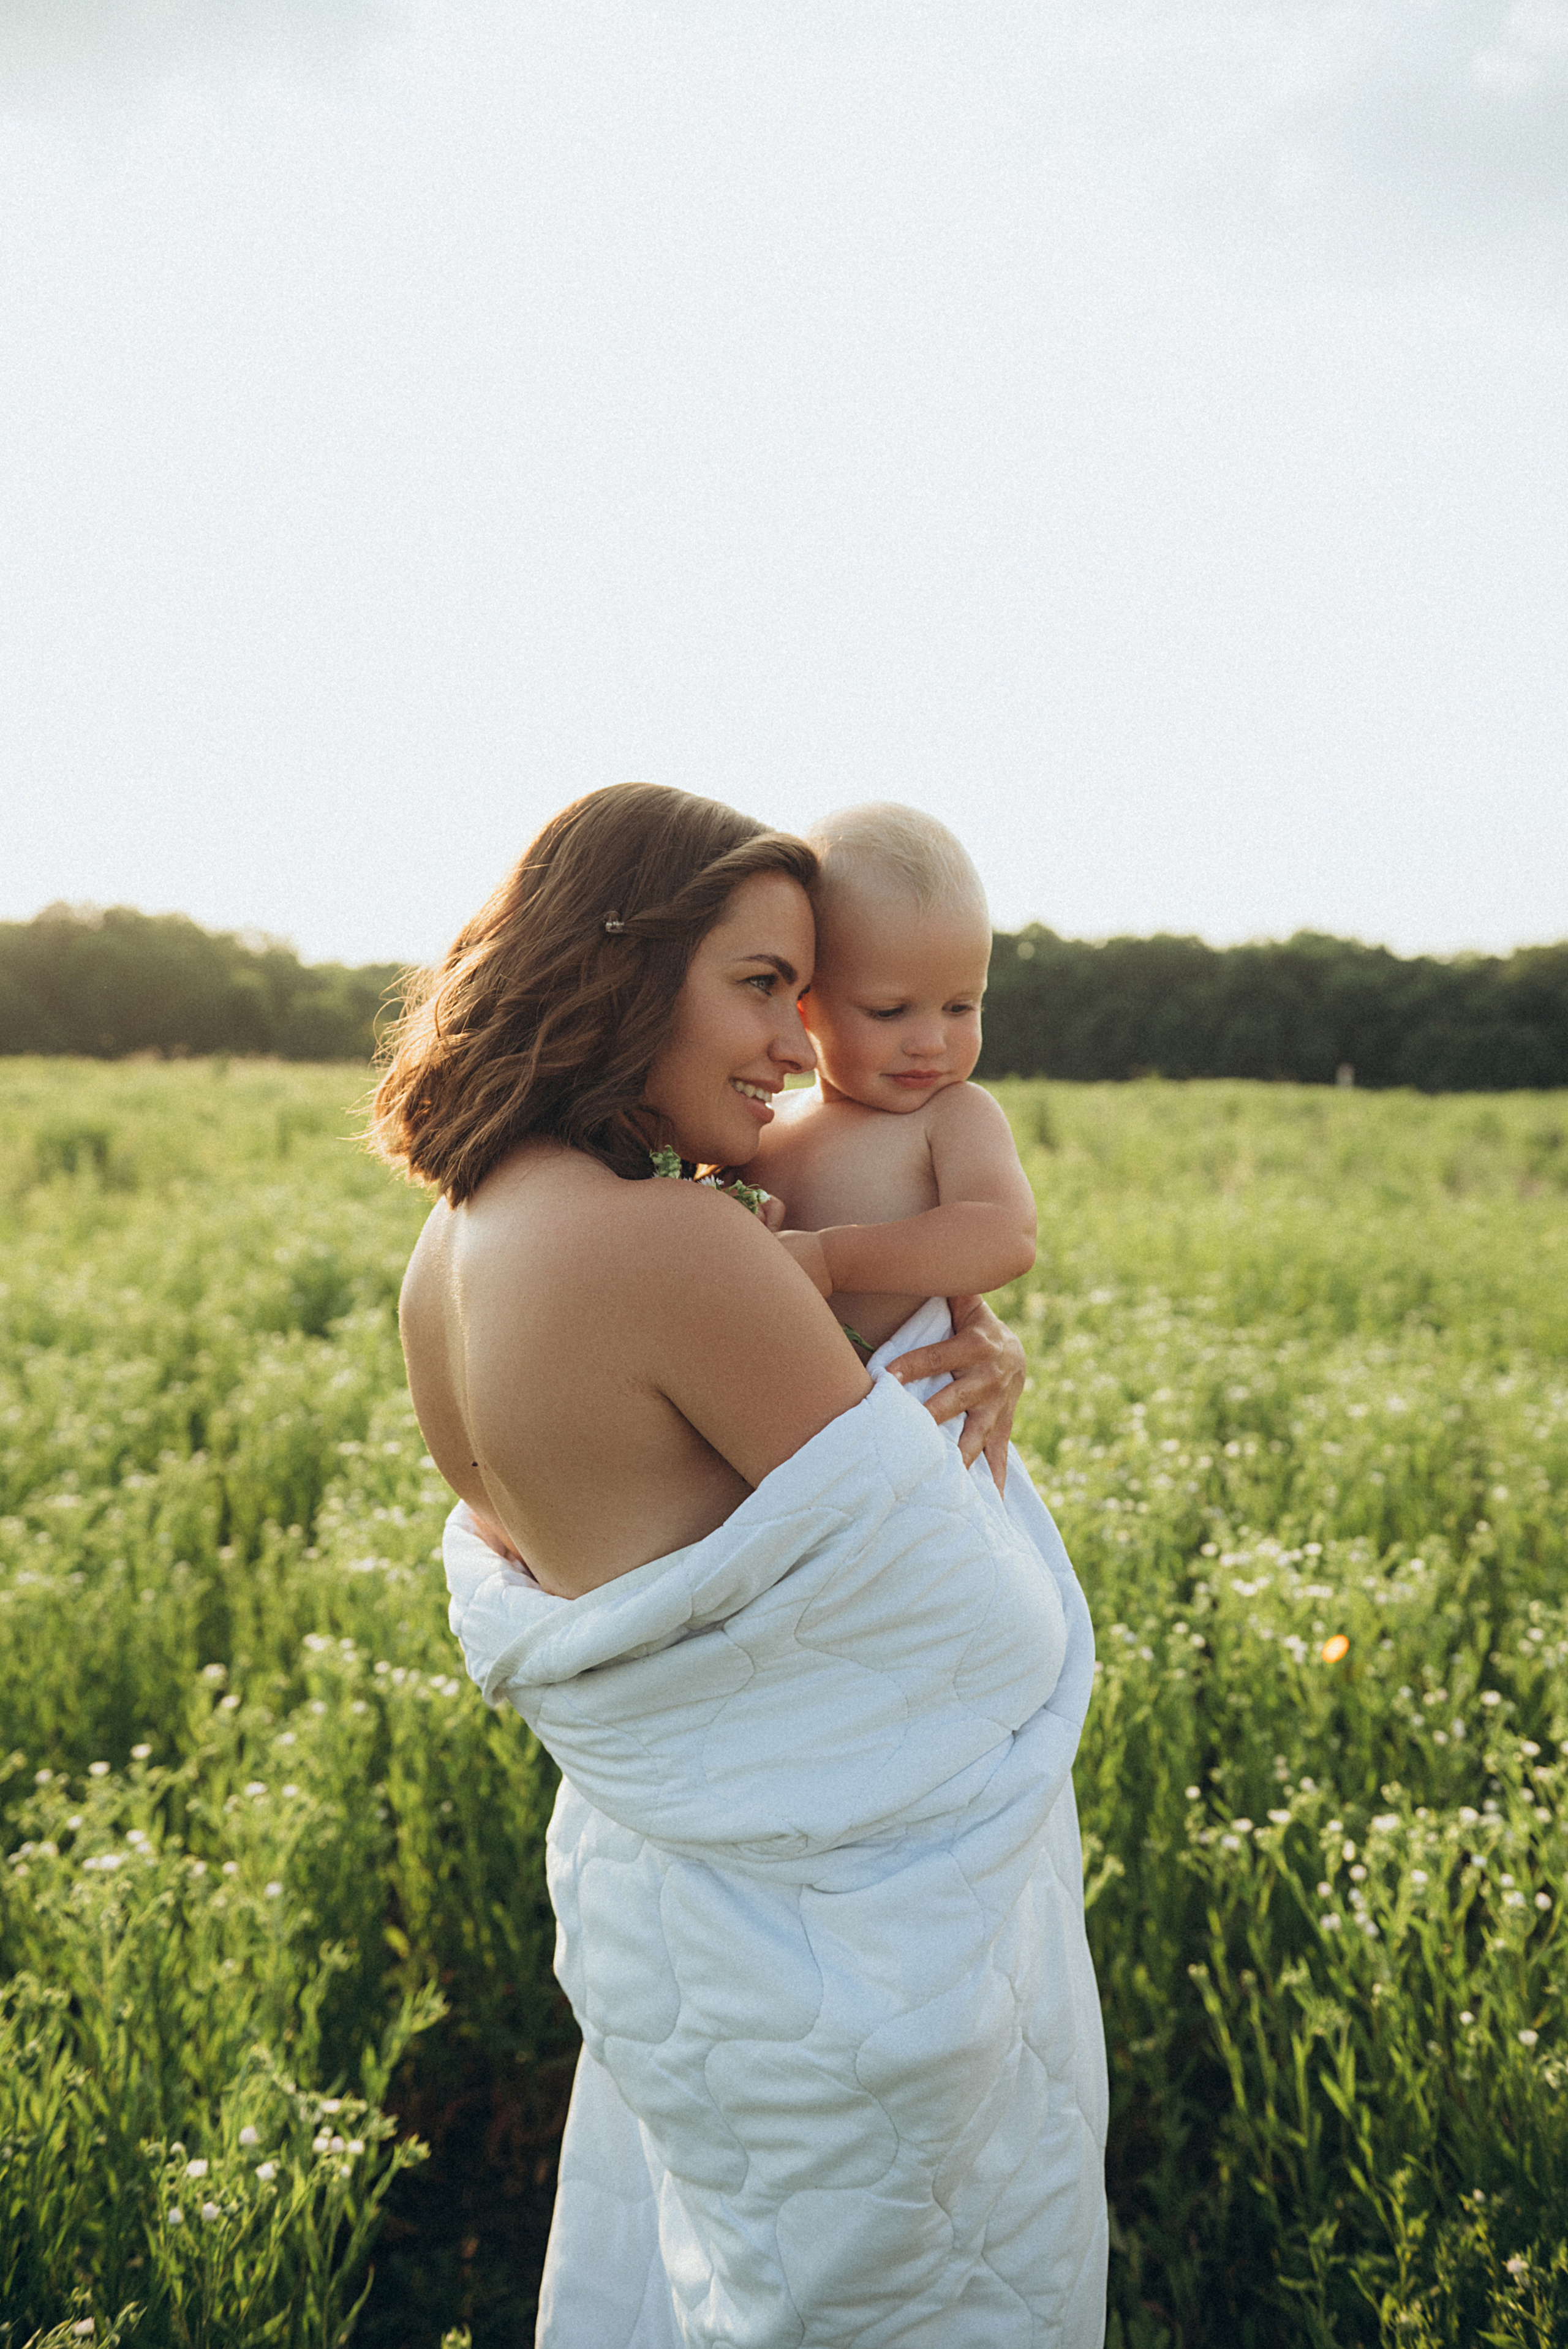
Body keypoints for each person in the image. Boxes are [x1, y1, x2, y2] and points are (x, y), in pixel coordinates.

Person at [373, 783, 1107, 2347]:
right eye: (763, 984)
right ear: (626, 965)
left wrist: (947, 1330)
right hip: (828, 1963)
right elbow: (980, 1634)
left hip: (652, 1908)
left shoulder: (450, 1243)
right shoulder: (677, 1242)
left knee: (699, 2285)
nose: (796, 1044)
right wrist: (959, 1377)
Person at [750, 802, 1038, 1398]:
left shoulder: (953, 1114)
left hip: (919, 1422)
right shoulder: (767, 1122)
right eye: (889, 1011)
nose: (931, 1042)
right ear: (804, 1004)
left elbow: (1004, 1235)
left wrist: (834, 1258)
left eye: (961, 1006)